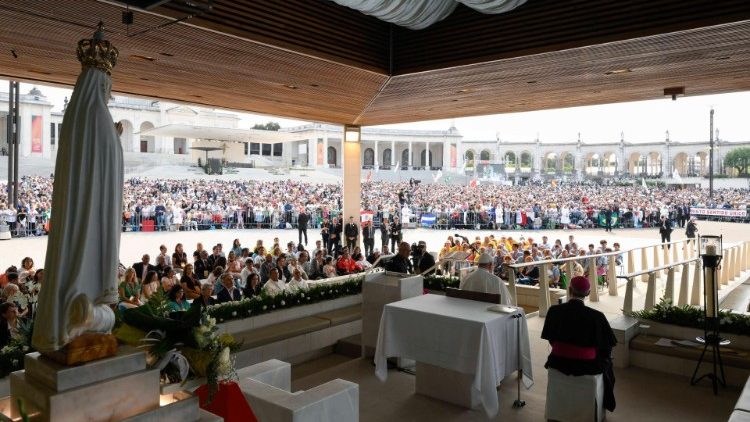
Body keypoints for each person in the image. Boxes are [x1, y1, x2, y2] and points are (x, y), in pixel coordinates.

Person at [541, 276, 617, 413]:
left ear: (570, 290)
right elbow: (607, 346)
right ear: (588, 293)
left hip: (558, 361)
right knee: (608, 365)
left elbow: (551, 338)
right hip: (587, 365)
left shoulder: (554, 311)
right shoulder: (597, 316)